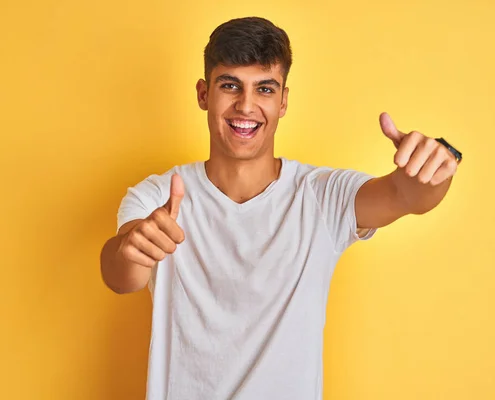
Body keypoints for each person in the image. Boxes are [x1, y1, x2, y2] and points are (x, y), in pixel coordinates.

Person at [100, 16, 462, 400]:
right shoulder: (157, 195)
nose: (246, 105)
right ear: (204, 94)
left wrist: (432, 169)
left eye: (265, 88)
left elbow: (408, 197)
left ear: (283, 100)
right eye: (230, 85)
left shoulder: (322, 196)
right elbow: (121, 276)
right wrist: (133, 249)